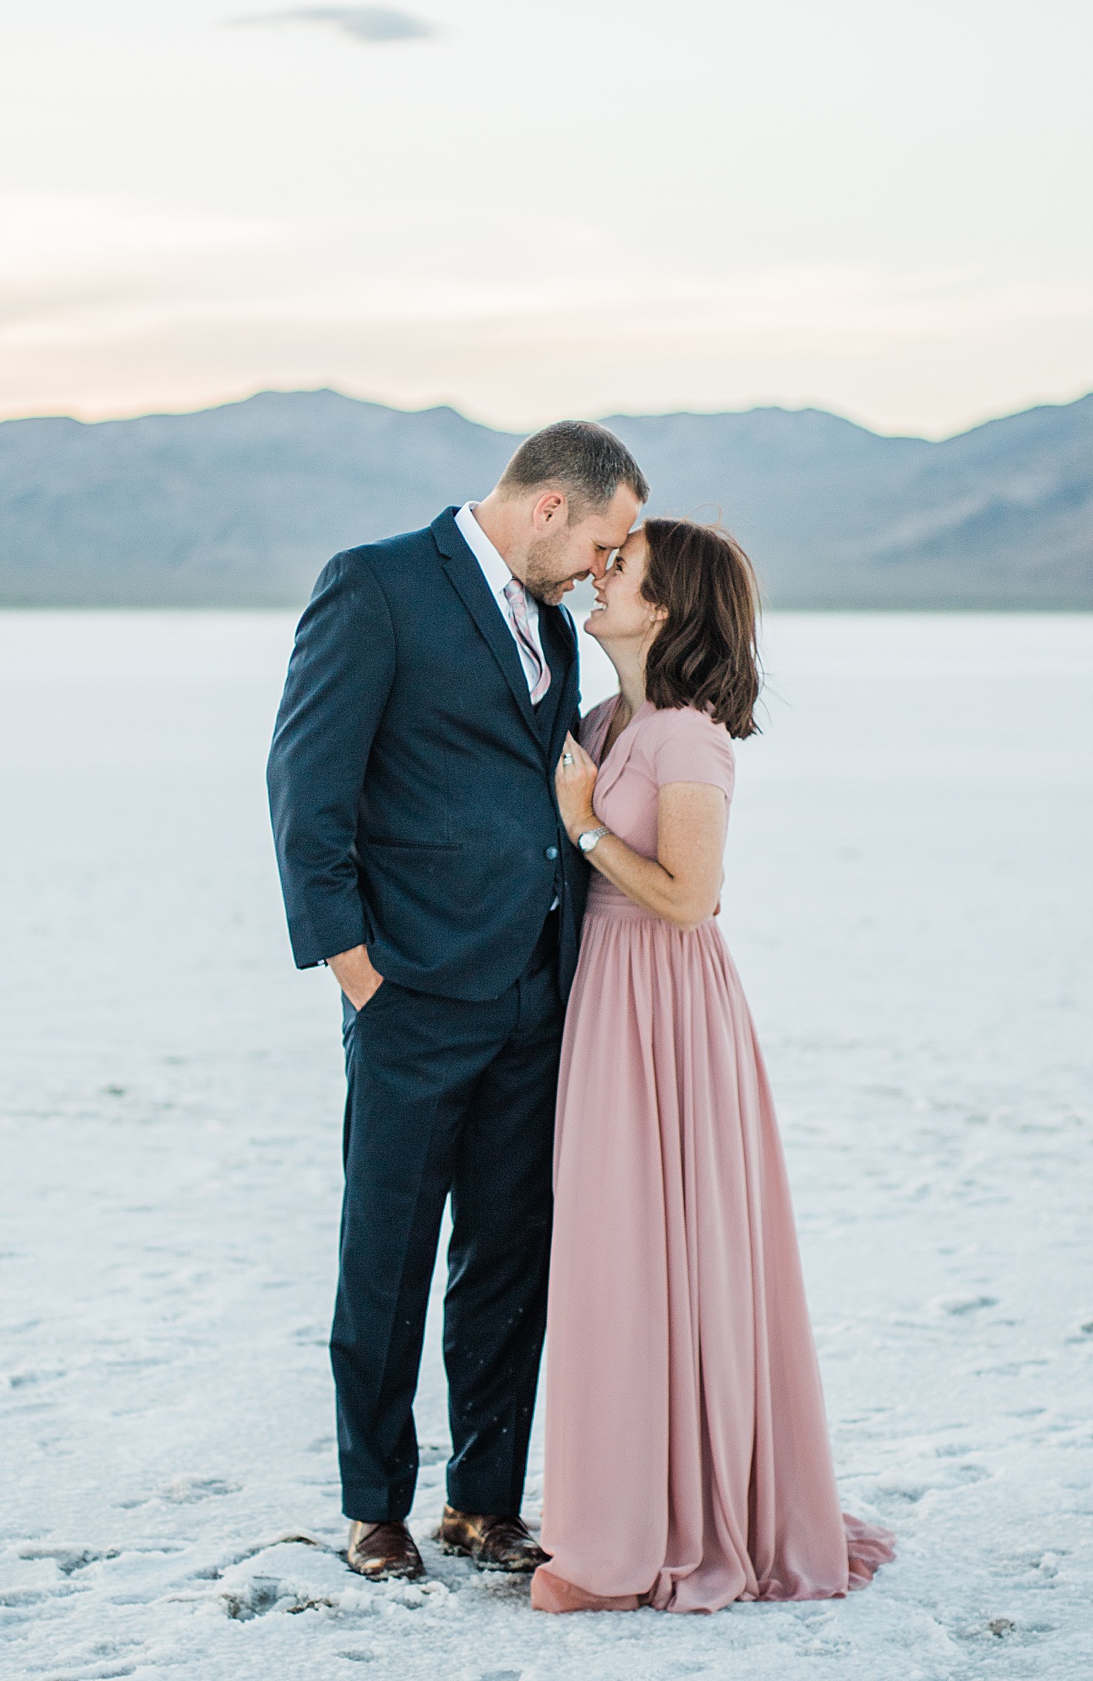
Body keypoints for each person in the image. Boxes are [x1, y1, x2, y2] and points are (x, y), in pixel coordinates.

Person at [267, 422, 646, 1581]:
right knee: (385, 1256)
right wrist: (358, 971)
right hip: (414, 993)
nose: (602, 567)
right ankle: (373, 1505)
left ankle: (481, 1501)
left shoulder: (551, 622)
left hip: (540, 990)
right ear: (546, 508)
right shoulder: (376, 586)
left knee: (508, 1258)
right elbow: (304, 786)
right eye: (601, 539)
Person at [532, 518, 895, 1613]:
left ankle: (663, 1533)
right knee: (614, 1254)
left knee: (656, 1252)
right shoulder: (608, 716)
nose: (599, 577)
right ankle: (626, 1506)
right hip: (605, 996)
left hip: (664, 1005)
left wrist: (585, 828)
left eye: (621, 569)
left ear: (669, 607)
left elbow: (692, 899)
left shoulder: (687, 737)